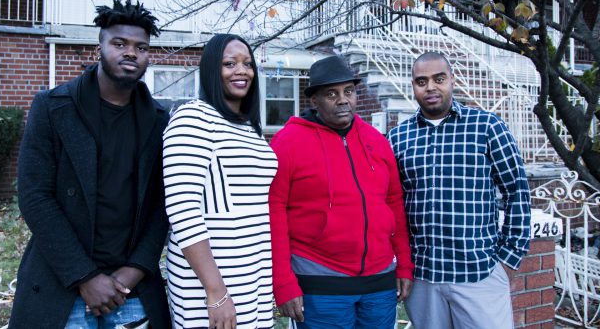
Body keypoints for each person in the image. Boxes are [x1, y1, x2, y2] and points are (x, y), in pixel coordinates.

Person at [9, 0, 171, 329]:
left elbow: (162, 203)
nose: (131, 52)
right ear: (100, 46)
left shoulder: (158, 120)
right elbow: (34, 196)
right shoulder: (53, 108)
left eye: (141, 47)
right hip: (63, 284)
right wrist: (84, 276)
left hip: (131, 292)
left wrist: (136, 268)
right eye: (120, 43)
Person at [388, 51, 531, 329]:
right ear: (413, 86)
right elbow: (394, 203)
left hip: (479, 273)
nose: (430, 87)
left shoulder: (487, 127)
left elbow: (517, 191)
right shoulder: (398, 137)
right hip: (424, 277)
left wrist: (507, 259)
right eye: (421, 81)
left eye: (439, 79)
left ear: (452, 79)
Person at [269, 55, 414, 329]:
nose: (342, 100)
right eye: (331, 94)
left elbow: (395, 203)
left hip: (379, 284)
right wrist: (284, 282)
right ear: (314, 100)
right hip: (320, 282)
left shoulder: (377, 141)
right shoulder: (287, 143)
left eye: (349, 91)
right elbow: (274, 213)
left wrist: (404, 264)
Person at [162, 34, 278, 329]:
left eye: (247, 64)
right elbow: (182, 210)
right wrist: (215, 292)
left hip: (253, 276)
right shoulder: (193, 118)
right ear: (212, 70)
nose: (242, 71)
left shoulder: (249, 128)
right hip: (211, 282)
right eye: (230, 63)